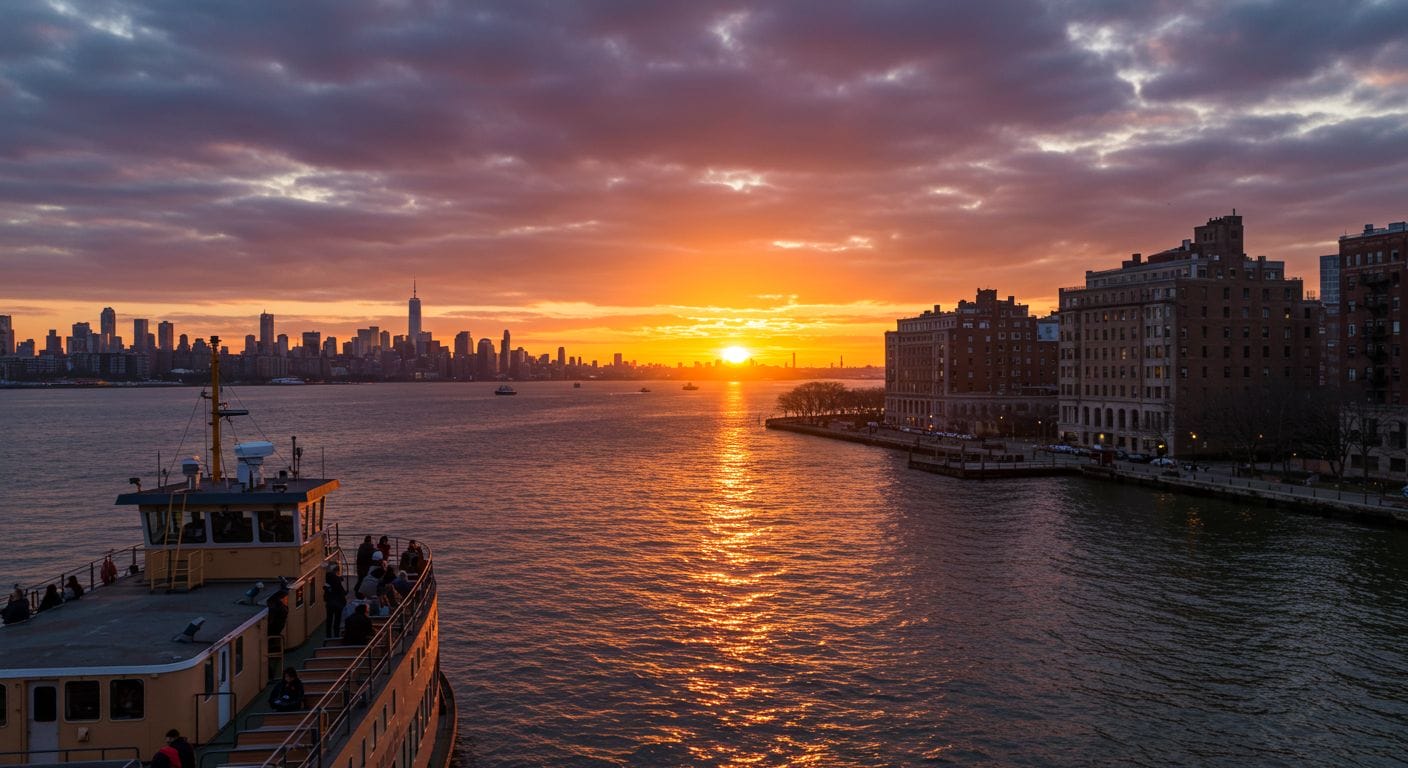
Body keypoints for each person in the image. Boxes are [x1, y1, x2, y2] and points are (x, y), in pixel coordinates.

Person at [324, 563, 347, 639]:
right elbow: (343, 592)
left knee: (329, 620)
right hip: (338, 604)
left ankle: (328, 636)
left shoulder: (327, 585)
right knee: (337, 620)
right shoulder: (337, 583)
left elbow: (325, 595)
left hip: (330, 604)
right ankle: (336, 635)